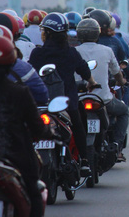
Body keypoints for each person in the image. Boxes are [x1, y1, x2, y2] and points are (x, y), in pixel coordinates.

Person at [29, 12, 97, 174]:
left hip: (41, 104)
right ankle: (85, 161)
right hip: (67, 104)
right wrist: (92, 83)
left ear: (47, 33)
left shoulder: (37, 54)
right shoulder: (71, 53)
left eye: (43, 31)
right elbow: (84, 70)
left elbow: (29, 75)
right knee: (79, 124)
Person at [0, 35, 56, 217]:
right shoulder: (20, 92)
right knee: (34, 191)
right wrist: (50, 133)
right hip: (15, 154)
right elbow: (37, 126)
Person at [75, 18, 129, 162]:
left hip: (79, 100)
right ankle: (117, 144)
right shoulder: (107, 50)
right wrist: (121, 81)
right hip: (104, 100)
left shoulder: (74, 51)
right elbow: (117, 72)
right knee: (124, 111)